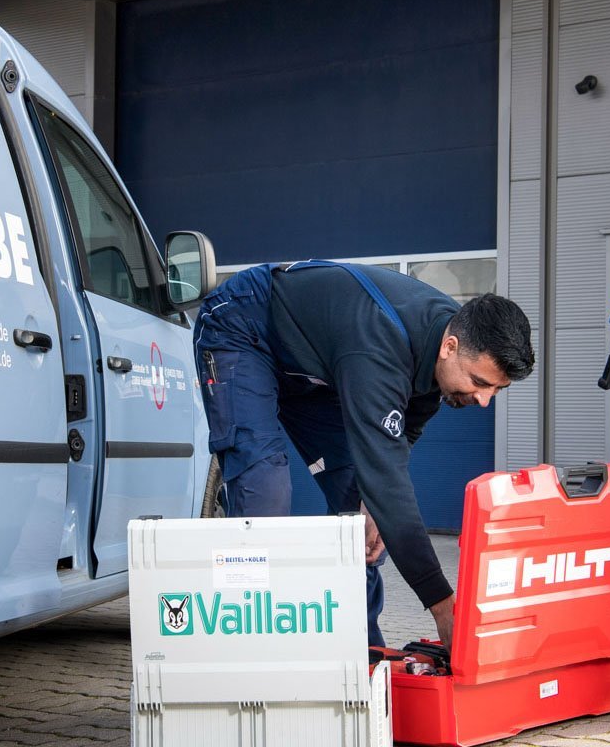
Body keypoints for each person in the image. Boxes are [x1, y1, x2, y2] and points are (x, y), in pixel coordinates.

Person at [195, 261, 534, 647]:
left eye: (496, 390)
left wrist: (372, 503)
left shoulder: (444, 340)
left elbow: (405, 432)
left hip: (313, 367)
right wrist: (444, 607)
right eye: (479, 383)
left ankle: (362, 653)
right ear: (450, 347)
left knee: (358, 509)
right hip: (244, 325)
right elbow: (389, 484)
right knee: (264, 488)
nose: (484, 401)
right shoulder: (380, 346)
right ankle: (249, 648)